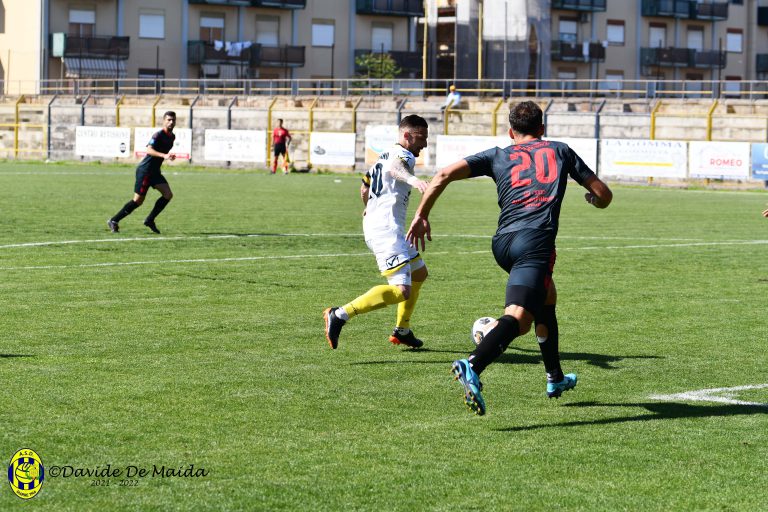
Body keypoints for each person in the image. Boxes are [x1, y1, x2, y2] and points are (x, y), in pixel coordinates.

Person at [406, 101, 613, 415]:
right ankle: (473, 364)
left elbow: (444, 173)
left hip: (503, 244)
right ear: (542, 129)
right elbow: (604, 195)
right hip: (535, 243)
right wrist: (594, 201)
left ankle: (555, 377)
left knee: (547, 296)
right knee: (519, 319)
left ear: (510, 132)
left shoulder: (497, 155)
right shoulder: (560, 150)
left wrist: (421, 215)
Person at [324, 115, 430, 350]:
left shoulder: (382, 156)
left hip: (382, 226)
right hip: (386, 230)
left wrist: (369, 208)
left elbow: (364, 187)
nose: (424, 144)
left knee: (419, 273)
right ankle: (339, 314)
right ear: (407, 135)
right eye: (421, 138)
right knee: (401, 290)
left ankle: (402, 330)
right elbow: (396, 169)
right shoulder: (404, 155)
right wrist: (413, 180)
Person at [107, 111, 177, 234]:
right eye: (169, 120)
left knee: (168, 194)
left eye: (173, 120)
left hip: (155, 172)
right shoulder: (158, 135)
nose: (171, 122)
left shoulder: (172, 137)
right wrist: (164, 155)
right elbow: (149, 150)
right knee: (138, 201)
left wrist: (168, 156)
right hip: (145, 171)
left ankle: (150, 220)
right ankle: (114, 220)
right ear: (164, 121)